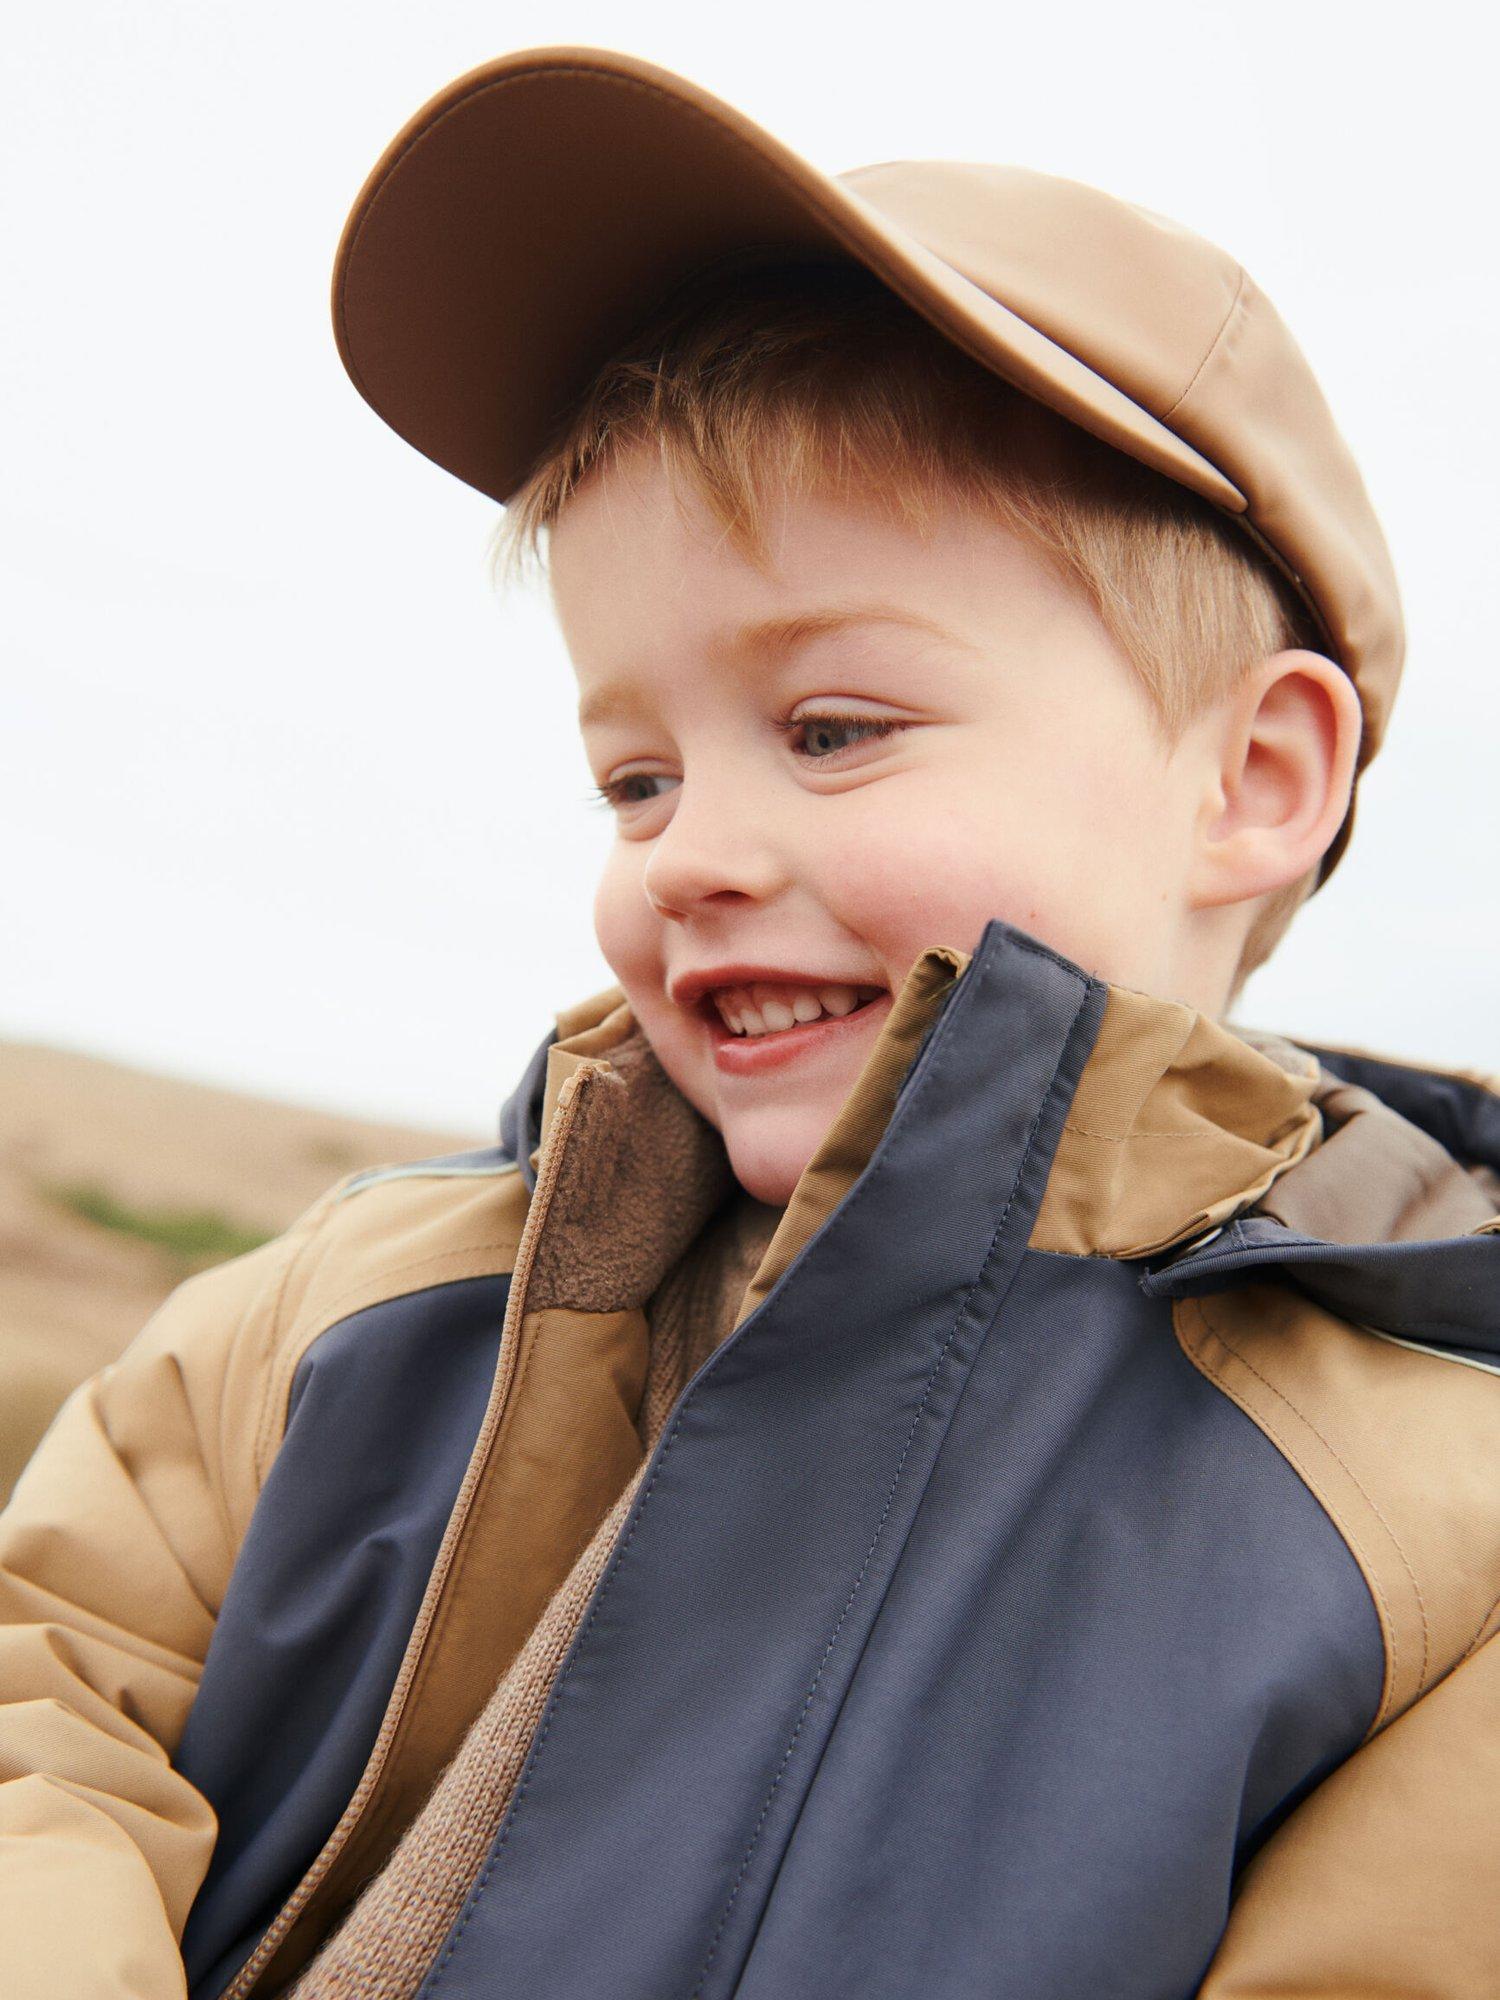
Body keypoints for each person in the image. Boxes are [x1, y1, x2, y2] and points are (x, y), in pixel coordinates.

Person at [3, 43, 1498, 2000]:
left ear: (1255, 777)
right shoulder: (337, 1320)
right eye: (634, 775)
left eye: (830, 730)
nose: (691, 851)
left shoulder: (1427, 1540)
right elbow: (52, 1699)